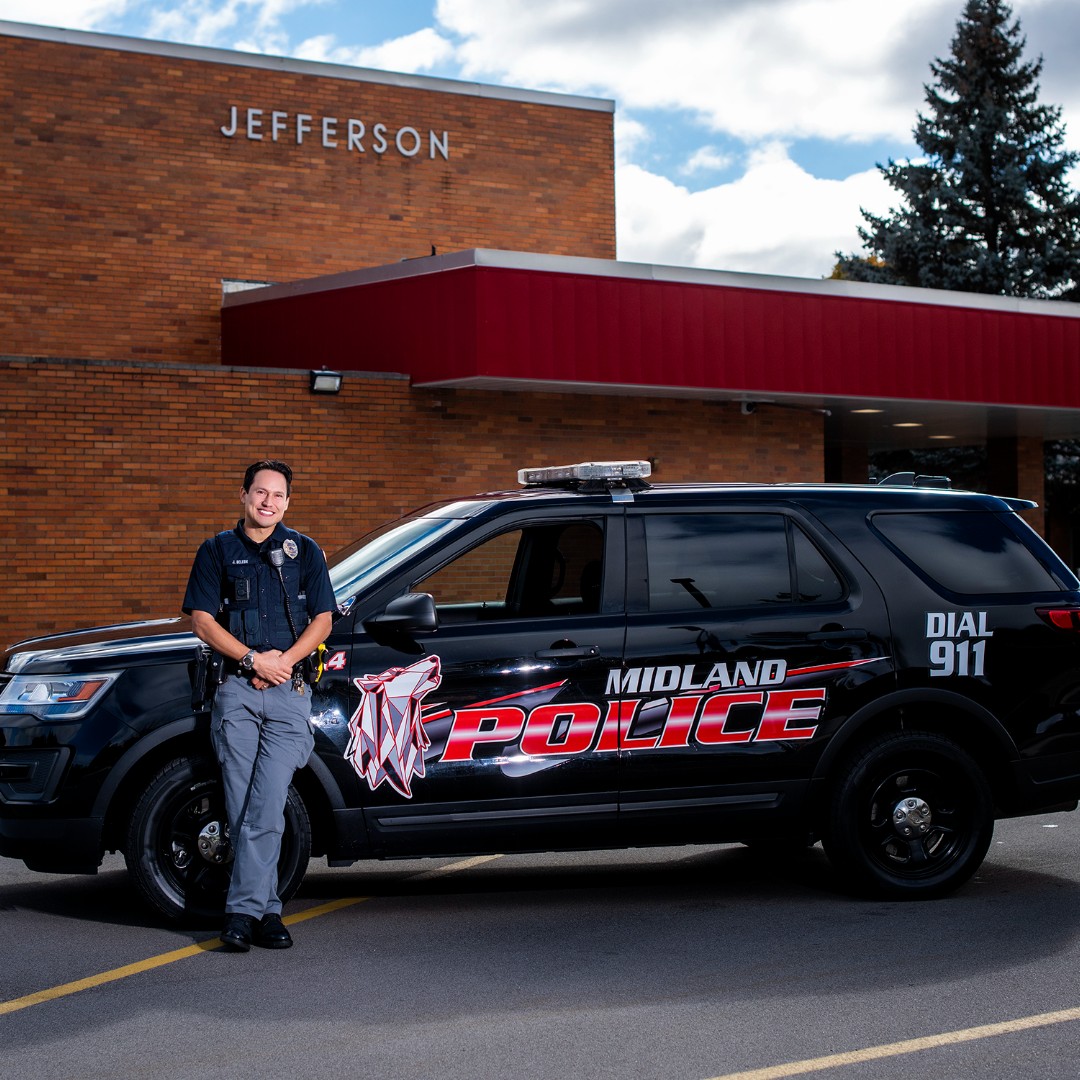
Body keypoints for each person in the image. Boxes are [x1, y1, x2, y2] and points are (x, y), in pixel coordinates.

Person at [183, 460, 335, 952]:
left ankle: (240, 914)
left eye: (278, 495)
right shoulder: (216, 550)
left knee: (265, 804)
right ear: (244, 495)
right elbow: (203, 621)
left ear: (288, 502)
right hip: (237, 691)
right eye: (261, 492)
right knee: (241, 804)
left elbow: (324, 620)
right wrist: (252, 660)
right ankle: (266, 912)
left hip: (289, 692)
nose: (269, 502)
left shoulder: (305, 551)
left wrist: (282, 662)